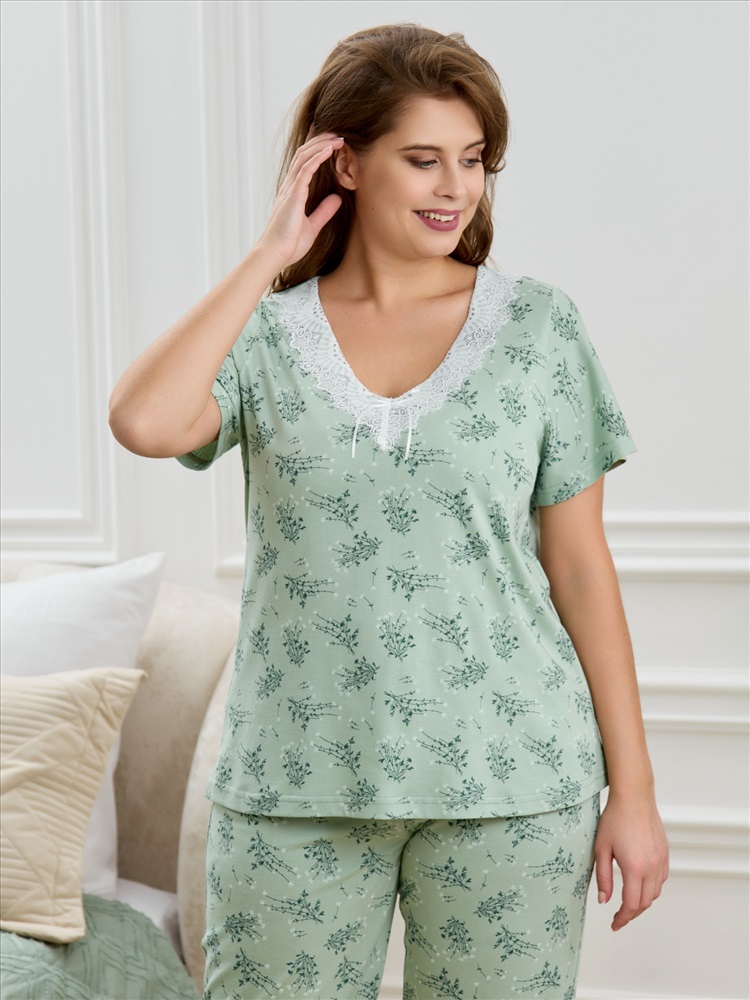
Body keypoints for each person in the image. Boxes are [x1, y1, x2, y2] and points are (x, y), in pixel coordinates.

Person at [109, 23, 669, 1000]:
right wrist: (268, 255)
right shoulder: (265, 338)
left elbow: (582, 568)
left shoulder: (539, 330)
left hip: (514, 778)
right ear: (345, 163)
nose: (456, 188)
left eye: (473, 160)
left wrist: (638, 790)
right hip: (295, 782)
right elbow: (144, 421)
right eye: (422, 159)